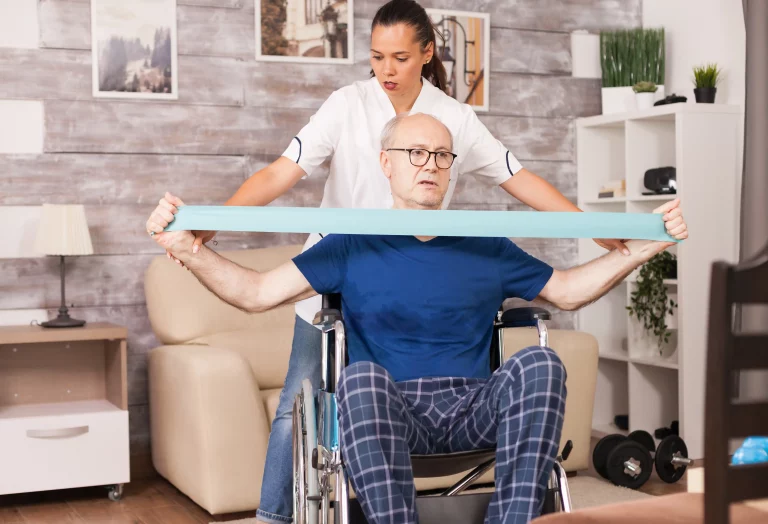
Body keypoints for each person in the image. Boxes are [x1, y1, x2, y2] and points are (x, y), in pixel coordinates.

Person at [157, 1, 635, 521]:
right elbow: (279, 173)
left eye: (400, 58)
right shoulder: (348, 104)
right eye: (377, 57)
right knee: (300, 404)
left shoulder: (453, 120)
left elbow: (519, 179)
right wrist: (208, 227)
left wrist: (595, 230)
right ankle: (274, 518)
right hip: (342, 272)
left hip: (424, 275)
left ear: (427, 54)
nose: (386, 69)